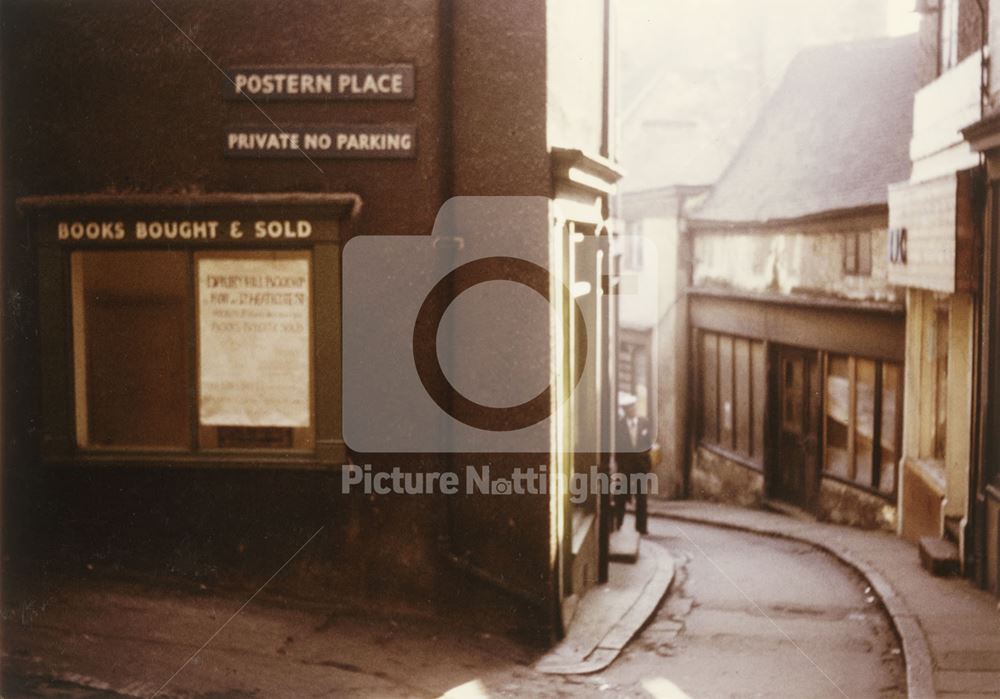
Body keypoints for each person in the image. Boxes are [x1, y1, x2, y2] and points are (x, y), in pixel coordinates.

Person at [614, 393, 652, 534]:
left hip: (641, 467)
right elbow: (617, 447)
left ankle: (641, 527)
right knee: (621, 497)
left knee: (641, 498)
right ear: (624, 410)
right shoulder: (619, 426)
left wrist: (646, 462)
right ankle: (618, 524)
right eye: (629, 408)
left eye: (634, 407)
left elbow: (648, 444)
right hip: (625, 468)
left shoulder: (644, 423)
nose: (633, 410)